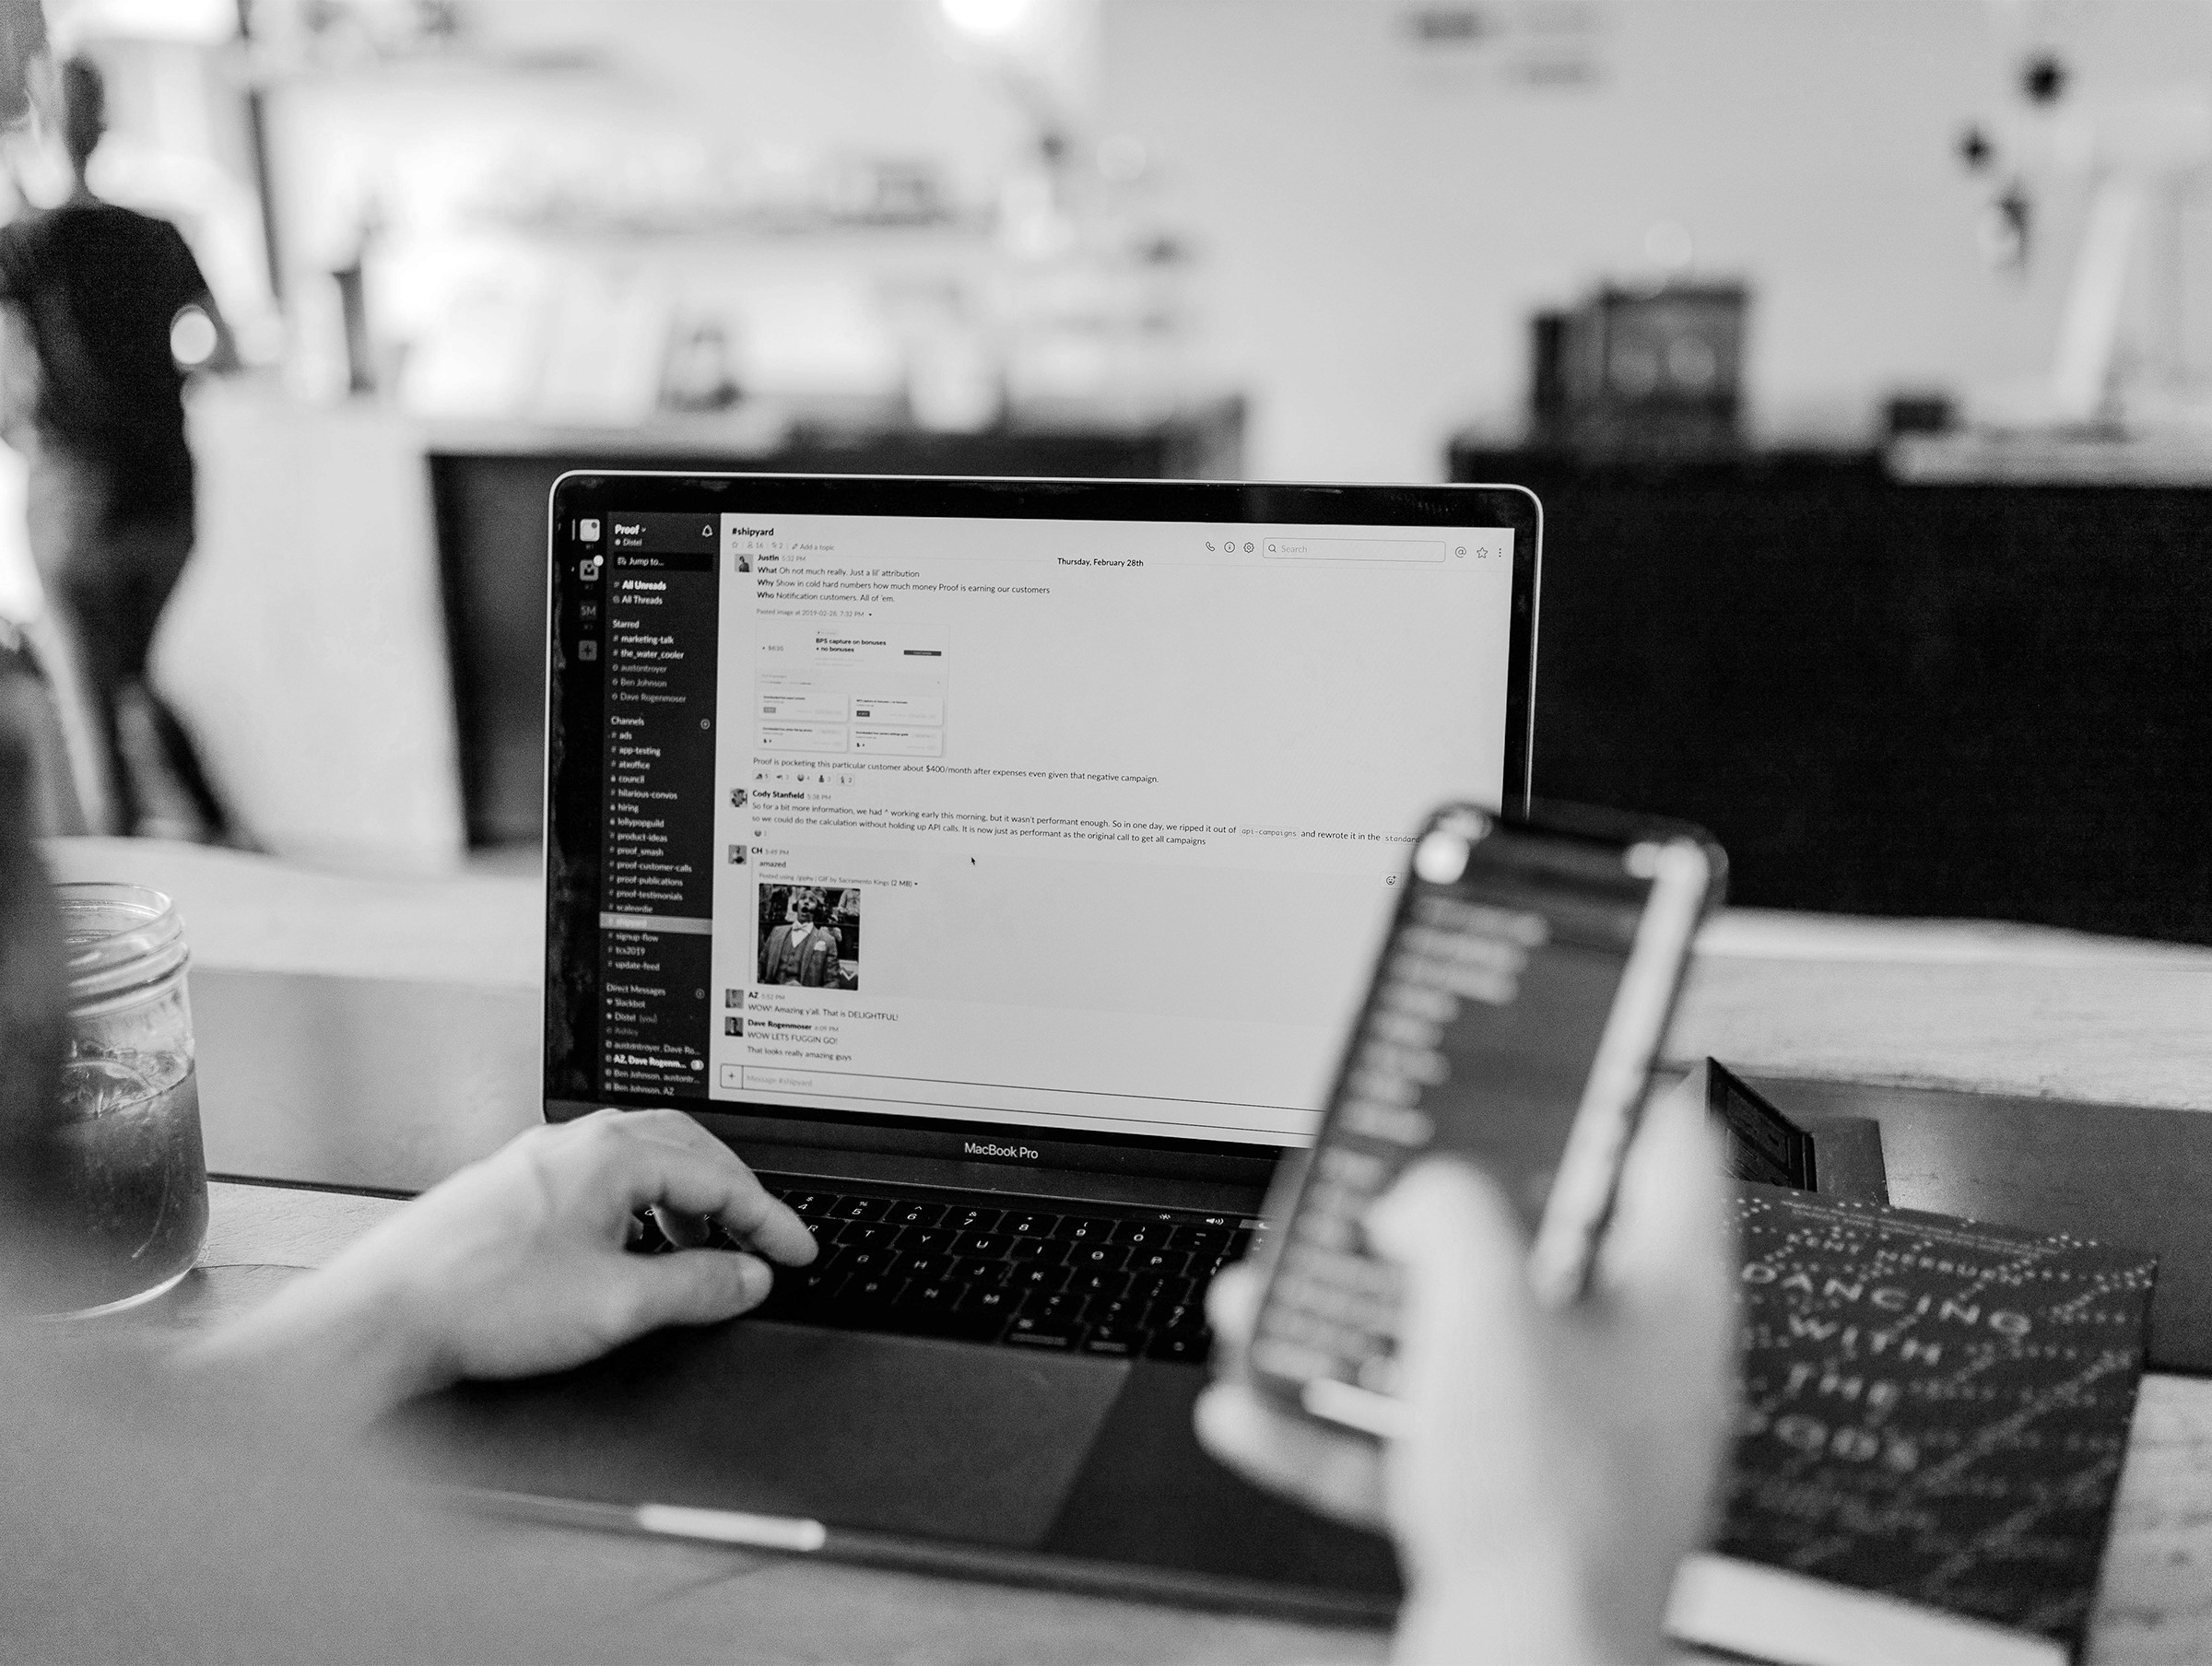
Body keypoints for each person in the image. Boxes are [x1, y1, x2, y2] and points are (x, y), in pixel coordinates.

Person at [0, 53, 229, 839]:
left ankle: (142, 875)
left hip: (74, 502)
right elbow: (219, 347)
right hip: (168, 495)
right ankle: (214, 835)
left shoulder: (26, 243)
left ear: (40, 117)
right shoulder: (157, 235)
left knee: (93, 710)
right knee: (131, 681)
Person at [759, 886, 842, 987]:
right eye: (803, 898)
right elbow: (760, 964)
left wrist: (805, 993)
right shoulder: (777, 932)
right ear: (796, 906)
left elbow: (833, 982)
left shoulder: (827, 940)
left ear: (816, 909)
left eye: (811, 900)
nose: (806, 902)